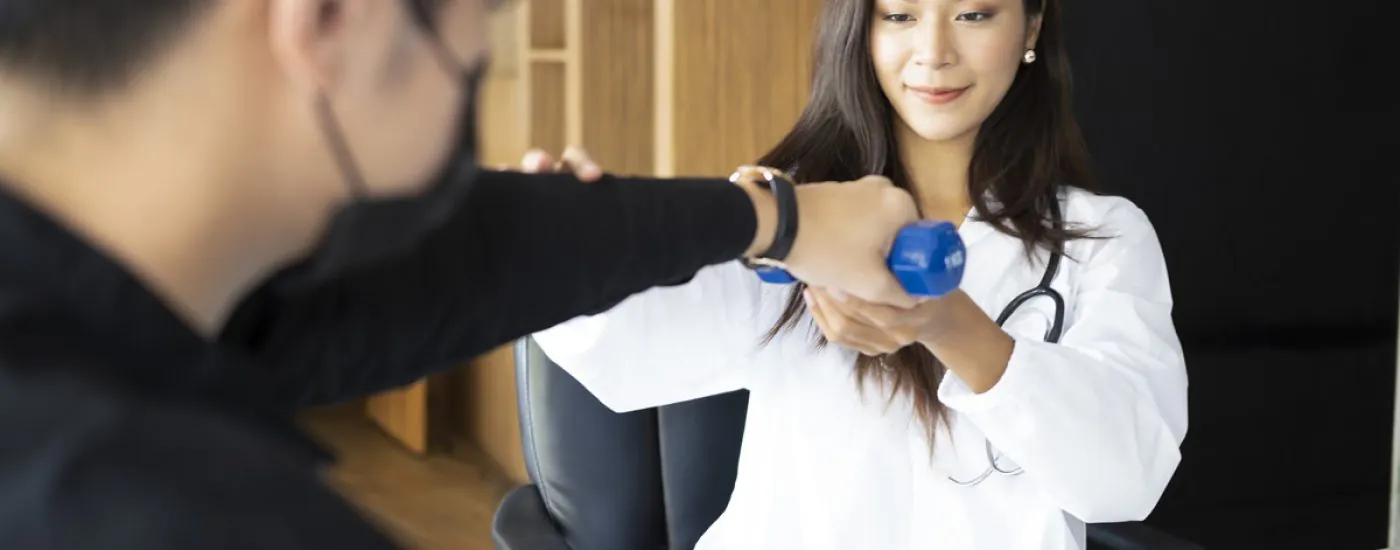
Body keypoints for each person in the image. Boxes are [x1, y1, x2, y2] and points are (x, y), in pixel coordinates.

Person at [0, 0, 926, 548]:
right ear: (327, 23)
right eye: (472, 42)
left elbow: (450, 265)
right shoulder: (134, 502)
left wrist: (778, 221)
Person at [529, 0, 1189, 549]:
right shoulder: (799, 217)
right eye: (900, 15)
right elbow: (628, 345)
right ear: (860, 29)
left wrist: (952, 325)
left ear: (1032, 27)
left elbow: (1126, 477)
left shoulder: (1100, 238)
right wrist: (566, 239)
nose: (933, 53)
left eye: (975, 14)